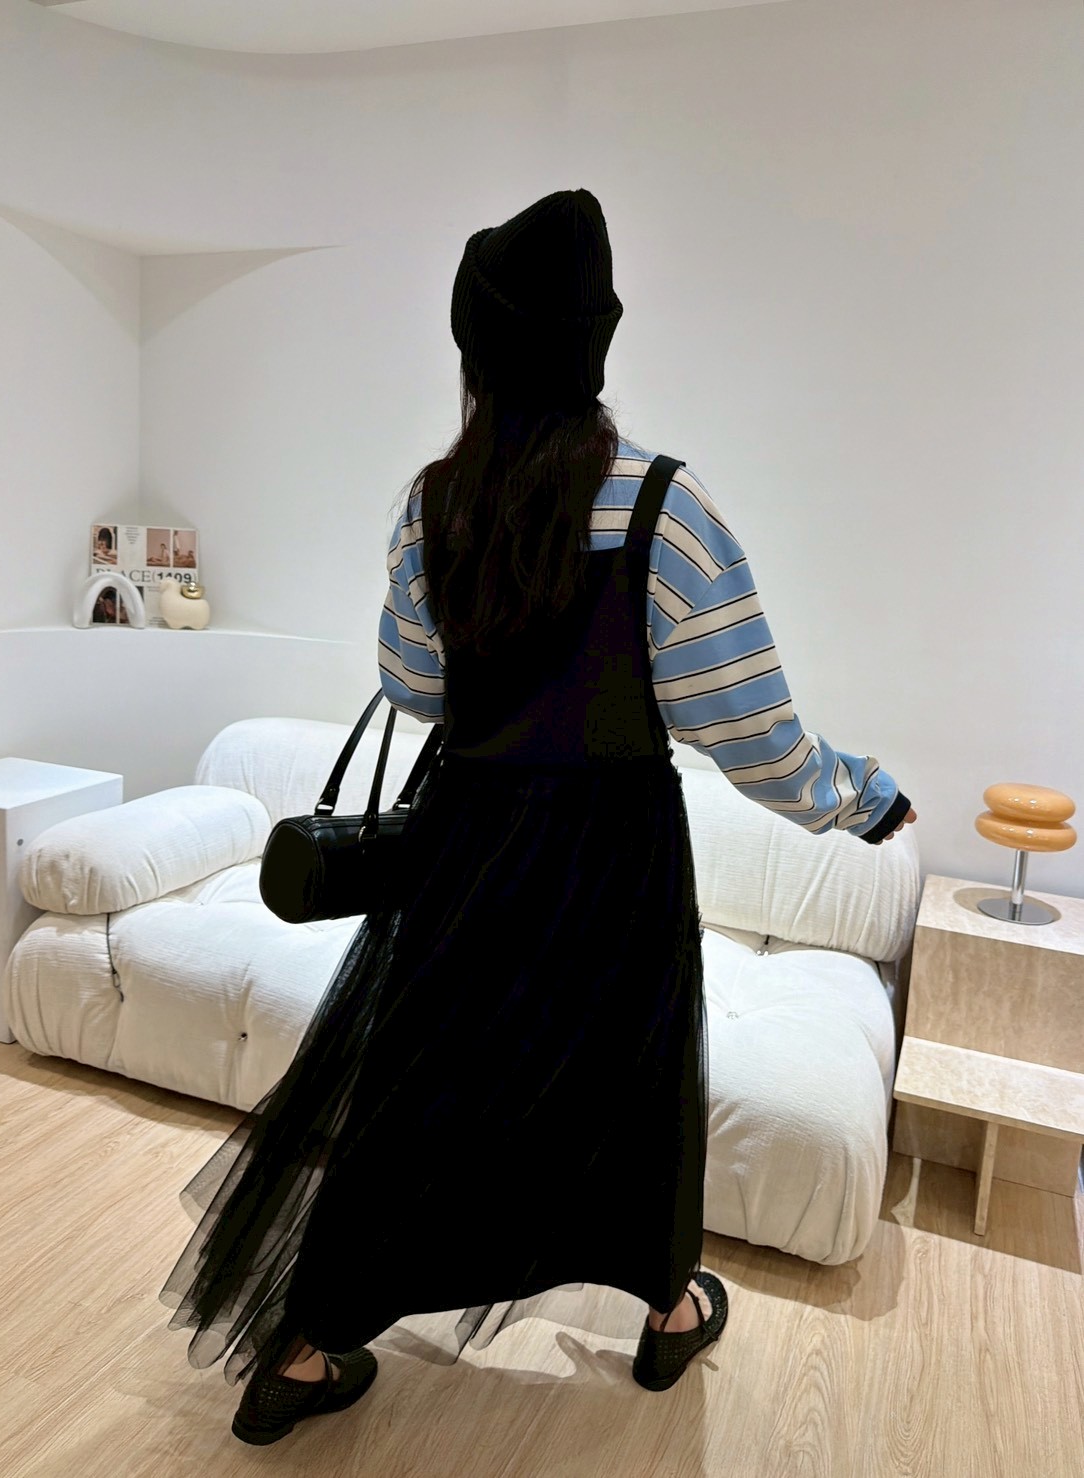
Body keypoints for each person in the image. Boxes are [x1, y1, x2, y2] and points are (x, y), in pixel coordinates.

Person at [158, 188, 916, 1446]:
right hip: (614, 866)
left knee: (414, 1088)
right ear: (593, 347)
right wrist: (860, 797)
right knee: (633, 1090)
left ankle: (299, 1348)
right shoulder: (665, 507)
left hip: (466, 849)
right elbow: (753, 731)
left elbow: (411, 684)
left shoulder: (434, 503)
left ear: (476, 352)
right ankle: (668, 1310)